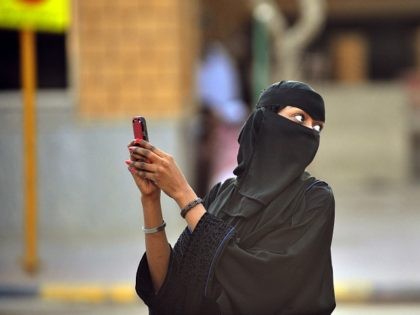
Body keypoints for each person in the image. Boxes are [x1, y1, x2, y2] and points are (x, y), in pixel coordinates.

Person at [125, 81, 336, 315]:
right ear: (264, 120)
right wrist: (151, 200)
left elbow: (263, 285)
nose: (309, 131)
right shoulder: (223, 194)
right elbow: (171, 286)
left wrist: (183, 194)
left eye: (317, 128)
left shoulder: (314, 198)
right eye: (299, 118)